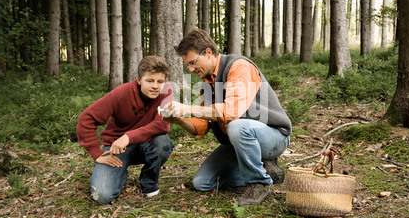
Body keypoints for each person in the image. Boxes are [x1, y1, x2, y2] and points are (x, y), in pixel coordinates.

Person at [163, 29, 291, 207]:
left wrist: (187, 107)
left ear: (208, 53)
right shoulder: (207, 83)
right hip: (238, 141)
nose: (191, 69)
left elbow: (232, 112)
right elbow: (201, 127)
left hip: (273, 136)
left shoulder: (238, 66)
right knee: (202, 183)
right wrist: (179, 119)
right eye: (188, 65)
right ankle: (265, 170)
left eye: (193, 63)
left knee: (237, 126)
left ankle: (259, 183)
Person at [77, 56, 174, 204]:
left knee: (163, 142)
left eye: (160, 81)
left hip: (146, 145)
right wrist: (96, 152)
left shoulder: (165, 91)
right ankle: (119, 174)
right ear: (139, 80)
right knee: (102, 196)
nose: (156, 86)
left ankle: (148, 183)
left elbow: (162, 125)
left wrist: (128, 136)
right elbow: (86, 118)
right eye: (150, 81)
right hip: (117, 148)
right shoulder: (121, 93)